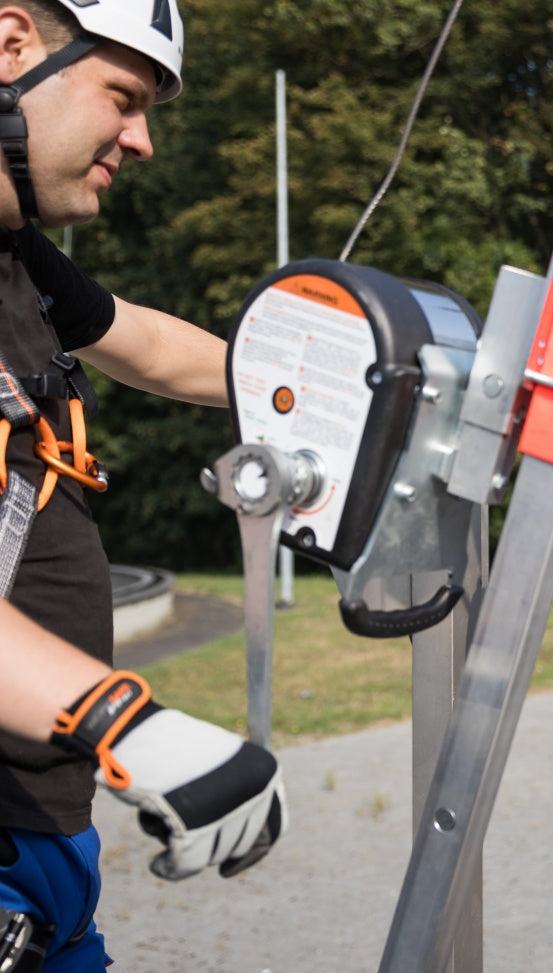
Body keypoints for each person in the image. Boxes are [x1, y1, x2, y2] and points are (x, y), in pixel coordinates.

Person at [0, 2, 286, 969]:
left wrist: (326, 385)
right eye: (122, 96)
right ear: (12, 46)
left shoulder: (17, 258)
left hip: (45, 847)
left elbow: (149, 346)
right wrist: (123, 719)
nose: (143, 140)